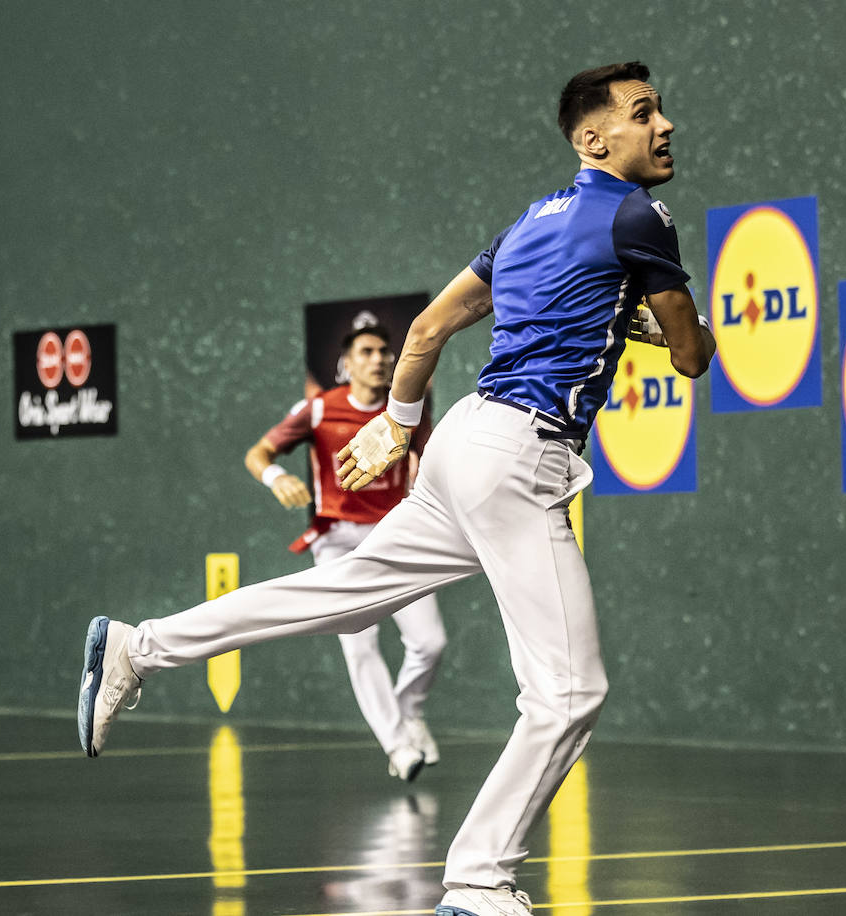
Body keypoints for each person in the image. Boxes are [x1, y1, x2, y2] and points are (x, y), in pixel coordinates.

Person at [77, 61, 715, 916]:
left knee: (343, 597)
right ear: (593, 140)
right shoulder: (641, 215)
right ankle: (480, 880)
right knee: (569, 692)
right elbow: (691, 355)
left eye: (662, 109)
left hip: (461, 441)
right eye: (643, 114)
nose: (664, 124)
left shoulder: (526, 225)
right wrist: (658, 319)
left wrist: (401, 425)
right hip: (520, 455)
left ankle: (138, 646)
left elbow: (427, 327)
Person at [245, 323, 445, 781]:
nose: (380, 360)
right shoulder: (318, 410)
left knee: (430, 642)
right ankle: (398, 747)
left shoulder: (407, 410)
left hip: (394, 535)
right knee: (360, 644)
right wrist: (277, 478)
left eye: (385, 352)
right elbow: (258, 453)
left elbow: (430, 462)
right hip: (337, 541)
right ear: (348, 363)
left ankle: (409, 712)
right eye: (368, 352)